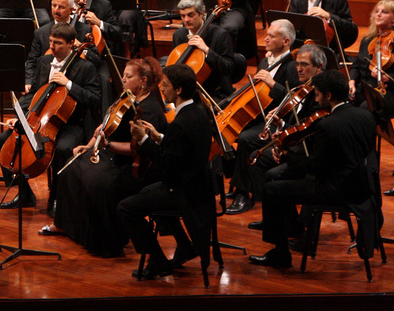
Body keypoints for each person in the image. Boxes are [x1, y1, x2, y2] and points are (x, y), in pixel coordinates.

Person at [40, 57, 169, 257]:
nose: (123, 80)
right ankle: (66, 225)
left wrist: (107, 145)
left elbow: (137, 149)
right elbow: (104, 127)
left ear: (143, 81)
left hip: (130, 164)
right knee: (70, 169)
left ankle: (104, 242)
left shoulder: (150, 109)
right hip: (108, 152)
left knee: (97, 183)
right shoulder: (126, 98)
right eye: (124, 76)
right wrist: (89, 145)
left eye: (128, 76)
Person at [249, 70, 376, 270]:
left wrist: (285, 154)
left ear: (329, 96)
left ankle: (280, 254)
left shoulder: (328, 125)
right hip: (363, 186)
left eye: (317, 95)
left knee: (271, 190)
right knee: (279, 182)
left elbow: (316, 168)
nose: (315, 99)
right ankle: (294, 229)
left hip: (336, 190)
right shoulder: (365, 115)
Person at [117, 64, 214, 279]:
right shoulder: (197, 111)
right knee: (147, 193)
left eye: (166, 85)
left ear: (178, 90)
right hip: (197, 186)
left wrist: (142, 139)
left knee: (126, 208)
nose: (162, 88)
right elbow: (181, 148)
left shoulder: (182, 121)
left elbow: (166, 162)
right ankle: (184, 245)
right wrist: (158, 136)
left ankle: (159, 261)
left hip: (183, 192)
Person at [0, 23, 99, 210]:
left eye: (58, 43)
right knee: (3, 140)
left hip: (71, 124)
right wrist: (21, 116)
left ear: (70, 44)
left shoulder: (86, 68)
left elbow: (94, 99)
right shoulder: (44, 62)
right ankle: (25, 194)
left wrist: (69, 84)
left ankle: (57, 199)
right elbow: (36, 92)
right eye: (51, 41)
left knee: (62, 150)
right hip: (41, 121)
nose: (52, 46)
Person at [229, 36, 322, 217]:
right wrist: (280, 124)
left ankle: (280, 220)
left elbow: (308, 129)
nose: (299, 69)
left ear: (318, 67)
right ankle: (269, 216)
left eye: (305, 65)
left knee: (257, 154)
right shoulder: (302, 83)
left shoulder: (320, 93)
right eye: (298, 65)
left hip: (303, 150)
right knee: (253, 153)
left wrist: (284, 136)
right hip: (287, 131)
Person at [169, 0, 236, 100]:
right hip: (186, 92)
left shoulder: (220, 35)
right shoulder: (178, 35)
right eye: (183, 16)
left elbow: (229, 68)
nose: (186, 20)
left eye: (191, 15)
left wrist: (207, 50)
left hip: (214, 92)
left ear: (202, 14)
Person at [348, 0, 394, 110]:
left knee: (365, 109)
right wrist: (352, 81)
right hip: (364, 88)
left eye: (384, 12)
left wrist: (387, 78)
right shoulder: (367, 40)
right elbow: (357, 65)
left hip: (388, 91)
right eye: (377, 11)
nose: (378, 14)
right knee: (343, 104)